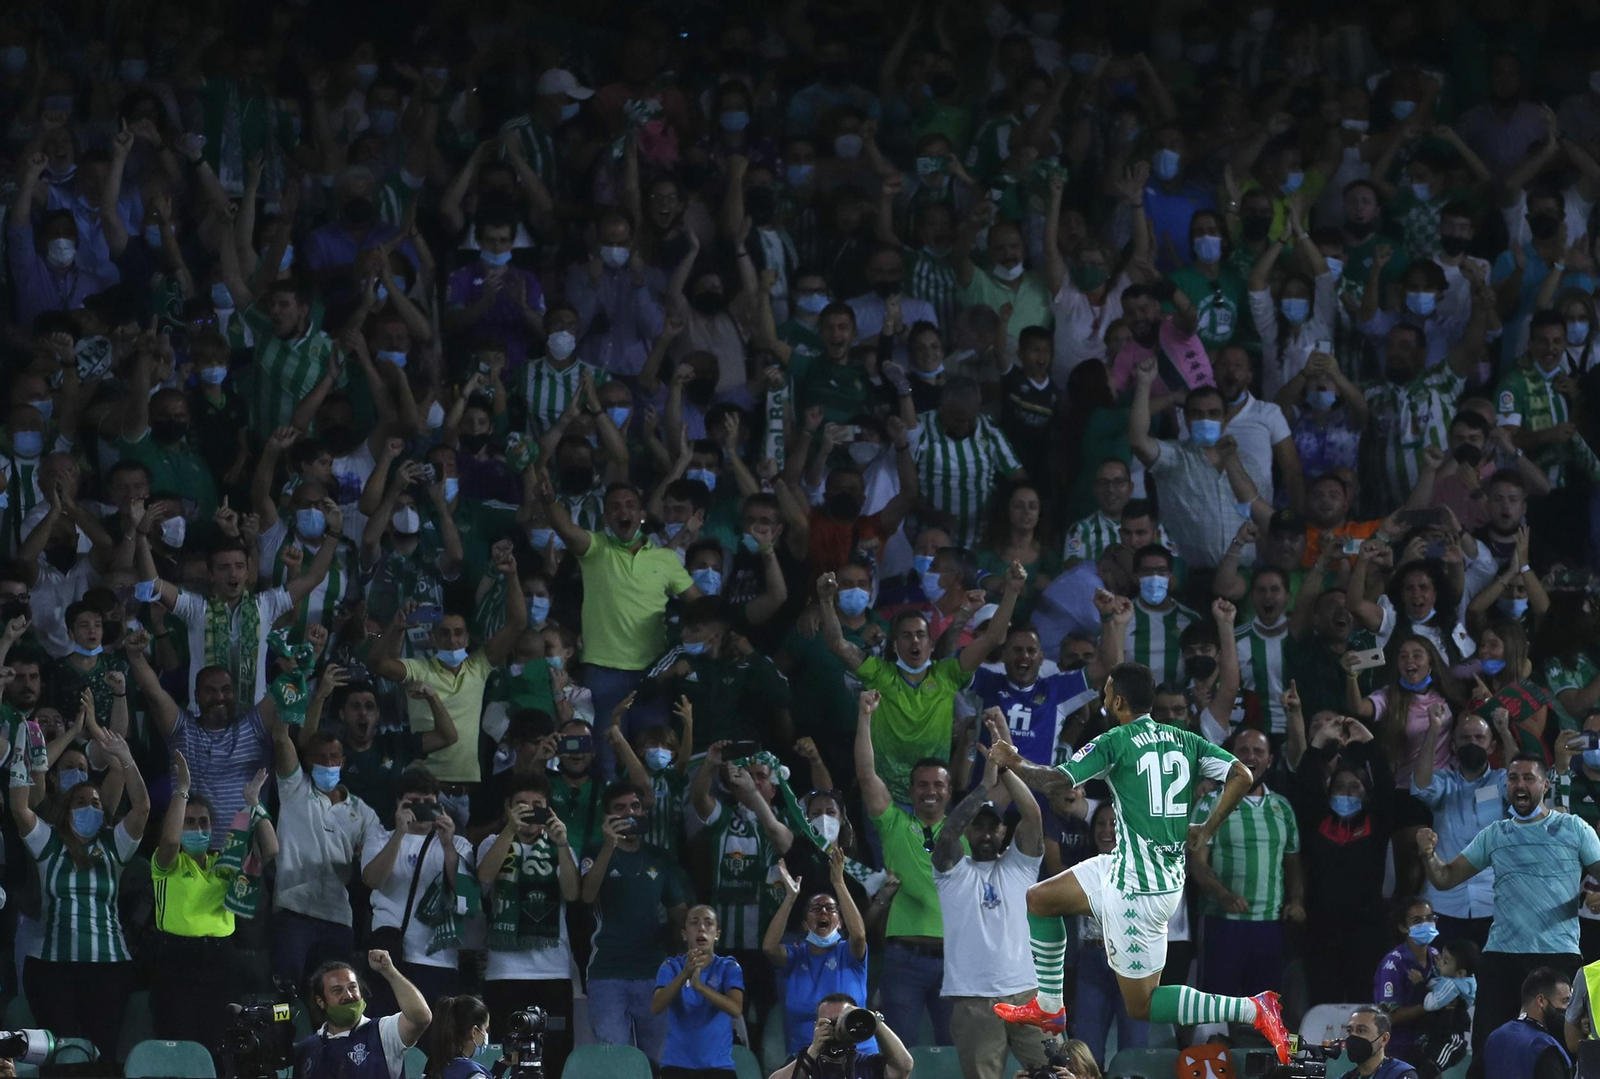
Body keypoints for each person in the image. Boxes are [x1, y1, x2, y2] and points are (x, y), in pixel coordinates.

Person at [985, 662, 1291, 1065]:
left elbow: (1057, 782)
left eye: (1107, 690)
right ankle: (1050, 1005)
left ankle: (1254, 1009)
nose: (1103, 696)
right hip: (1126, 868)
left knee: (1141, 1006)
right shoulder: (1185, 739)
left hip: (1138, 891)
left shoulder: (1115, 740)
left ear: (1118, 701)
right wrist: (1207, 826)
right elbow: (1241, 773)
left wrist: (1014, 759)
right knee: (1040, 898)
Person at [1417, 755, 1600, 1076]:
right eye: (1513, 778)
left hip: (1557, 957)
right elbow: (1444, 878)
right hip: (1502, 958)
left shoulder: (1573, 828)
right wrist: (1428, 855)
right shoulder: (1495, 834)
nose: (1520, 784)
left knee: (1564, 1054)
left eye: (1528, 778)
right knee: (1488, 1053)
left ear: (1545, 785)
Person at [9, 715, 147, 1063]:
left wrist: (126, 757)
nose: (90, 808)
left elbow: (142, 807)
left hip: (110, 967)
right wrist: (21, 753)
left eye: (96, 803)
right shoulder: (49, 843)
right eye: (81, 803)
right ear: (68, 811)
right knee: (62, 1055)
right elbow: (18, 807)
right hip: (56, 969)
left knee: (102, 1053)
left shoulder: (114, 846)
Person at [934, 710, 1051, 1079]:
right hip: (974, 1001)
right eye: (978, 828)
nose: (985, 834)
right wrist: (984, 787)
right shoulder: (952, 872)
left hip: (1028, 994)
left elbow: (1032, 817)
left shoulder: (1020, 866)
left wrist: (1006, 766)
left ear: (1003, 832)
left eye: (992, 828)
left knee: (1055, 1072)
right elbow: (947, 835)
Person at [150, 751, 277, 1048]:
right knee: (180, 1045)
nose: (197, 828)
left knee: (222, 1044)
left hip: (221, 960)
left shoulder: (226, 864)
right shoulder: (167, 863)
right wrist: (182, 787)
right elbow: (169, 841)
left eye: (203, 822)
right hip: (175, 961)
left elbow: (269, 850)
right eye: (189, 822)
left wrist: (255, 804)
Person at [1188, 728, 1304, 1001]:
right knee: (1215, 1008)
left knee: (1264, 1013)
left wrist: (1297, 900)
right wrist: (1222, 895)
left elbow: (1294, 863)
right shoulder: (1209, 805)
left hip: (1269, 926)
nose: (1251, 756)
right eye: (1243, 751)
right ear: (1231, 758)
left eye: (1258, 751)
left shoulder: (1283, 808)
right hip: (1222, 923)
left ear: (1270, 760)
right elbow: (1197, 864)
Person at [475, 776, 580, 1077]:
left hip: (553, 972)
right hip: (504, 972)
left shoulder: (561, 846)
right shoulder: (492, 843)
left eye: (538, 806)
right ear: (508, 808)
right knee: (505, 1059)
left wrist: (561, 843)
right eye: (522, 805)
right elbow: (484, 876)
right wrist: (509, 829)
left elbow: (573, 894)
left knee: (555, 1057)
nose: (530, 811)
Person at [580, 781, 688, 1062]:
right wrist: (607, 846)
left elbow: (680, 914)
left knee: (662, 1058)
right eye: (620, 808)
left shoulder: (659, 857)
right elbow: (587, 895)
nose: (630, 812)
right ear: (607, 817)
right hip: (607, 972)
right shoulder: (594, 852)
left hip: (655, 973)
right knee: (616, 1060)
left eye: (635, 806)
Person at [765, 848, 872, 1058]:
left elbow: (859, 936)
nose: (823, 911)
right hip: (806, 1057)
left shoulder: (848, 953)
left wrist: (839, 883)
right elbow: (769, 947)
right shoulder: (795, 957)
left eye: (830, 909)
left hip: (858, 1056)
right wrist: (790, 898)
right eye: (816, 908)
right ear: (805, 925)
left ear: (840, 922)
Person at [293, 951, 432, 1079]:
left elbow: (421, 1017)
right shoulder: (307, 1048)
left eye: (352, 987)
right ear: (321, 1001)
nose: (347, 996)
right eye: (337, 990)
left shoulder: (383, 1032)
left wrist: (389, 971)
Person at [651, 905, 745, 1079]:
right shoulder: (671, 966)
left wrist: (701, 987)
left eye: (708, 923)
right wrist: (685, 974)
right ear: (684, 934)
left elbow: (735, 1009)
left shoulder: (729, 967)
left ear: (717, 934)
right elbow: (656, 1006)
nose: (701, 928)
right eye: (694, 923)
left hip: (719, 1067)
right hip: (676, 1065)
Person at [765, 995, 915, 1079]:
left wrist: (873, 1020)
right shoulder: (804, 1062)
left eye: (840, 1021)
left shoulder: (867, 1064)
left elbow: (904, 1066)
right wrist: (814, 1050)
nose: (834, 1028)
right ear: (816, 1025)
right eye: (827, 1022)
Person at [1481, 968, 1573, 1079]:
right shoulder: (1545, 1047)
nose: (1567, 1008)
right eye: (1564, 1001)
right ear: (1541, 1001)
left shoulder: (1494, 1037)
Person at [1330, 1007, 1419, 1079]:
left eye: (1361, 1030)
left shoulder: (1400, 1074)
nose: (1353, 1036)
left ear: (1384, 1039)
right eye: (1349, 1030)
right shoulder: (1346, 1077)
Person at [423, 994, 496, 1079]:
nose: (486, 1034)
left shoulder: (432, 1067)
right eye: (486, 1029)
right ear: (474, 1032)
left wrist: (499, 1068)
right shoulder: (471, 1073)